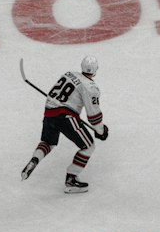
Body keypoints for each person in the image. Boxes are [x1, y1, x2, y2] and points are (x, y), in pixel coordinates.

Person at [21, 54, 108, 192]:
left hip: (49, 112)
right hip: (65, 116)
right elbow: (94, 116)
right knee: (88, 146)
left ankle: (35, 160)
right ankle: (71, 179)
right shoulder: (91, 87)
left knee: (48, 142)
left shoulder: (69, 74)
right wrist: (101, 131)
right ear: (96, 69)